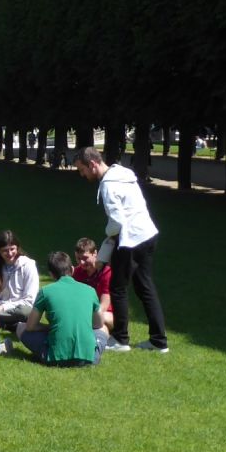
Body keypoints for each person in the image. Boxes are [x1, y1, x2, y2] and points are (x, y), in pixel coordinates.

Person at [74, 148, 169, 353]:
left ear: (92, 164)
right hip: (147, 234)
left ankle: (120, 339)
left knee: (118, 288)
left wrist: (106, 242)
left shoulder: (108, 185)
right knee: (145, 286)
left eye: (82, 170)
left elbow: (116, 224)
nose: (83, 175)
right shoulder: (123, 174)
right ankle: (159, 341)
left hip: (131, 239)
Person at [19, 251, 108, 366]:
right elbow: (98, 324)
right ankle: (91, 351)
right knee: (104, 328)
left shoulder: (45, 291)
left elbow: (30, 326)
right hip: (89, 359)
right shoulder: (90, 290)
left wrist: (48, 327)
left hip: (55, 358)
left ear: (51, 274)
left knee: (21, 327)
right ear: (72, 269)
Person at [0, 229, 40, 331]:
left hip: (20, 307)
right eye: (5, 250)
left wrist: (4, 307)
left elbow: (29, 299)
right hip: (0, 307)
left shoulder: (28, 265)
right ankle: (8, 324)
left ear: (17, 248)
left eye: (12, 249)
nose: (9, 253)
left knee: (24, 312)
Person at [69, 238, 113, 333]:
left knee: (103, 317)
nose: (81, 263)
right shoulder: (76, 272)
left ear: (95, 253)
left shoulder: (106, 272)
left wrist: (88, 317)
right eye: (78, 259)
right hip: (86, 313)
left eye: (85, 258)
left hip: (107, 314)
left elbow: (104, 304)